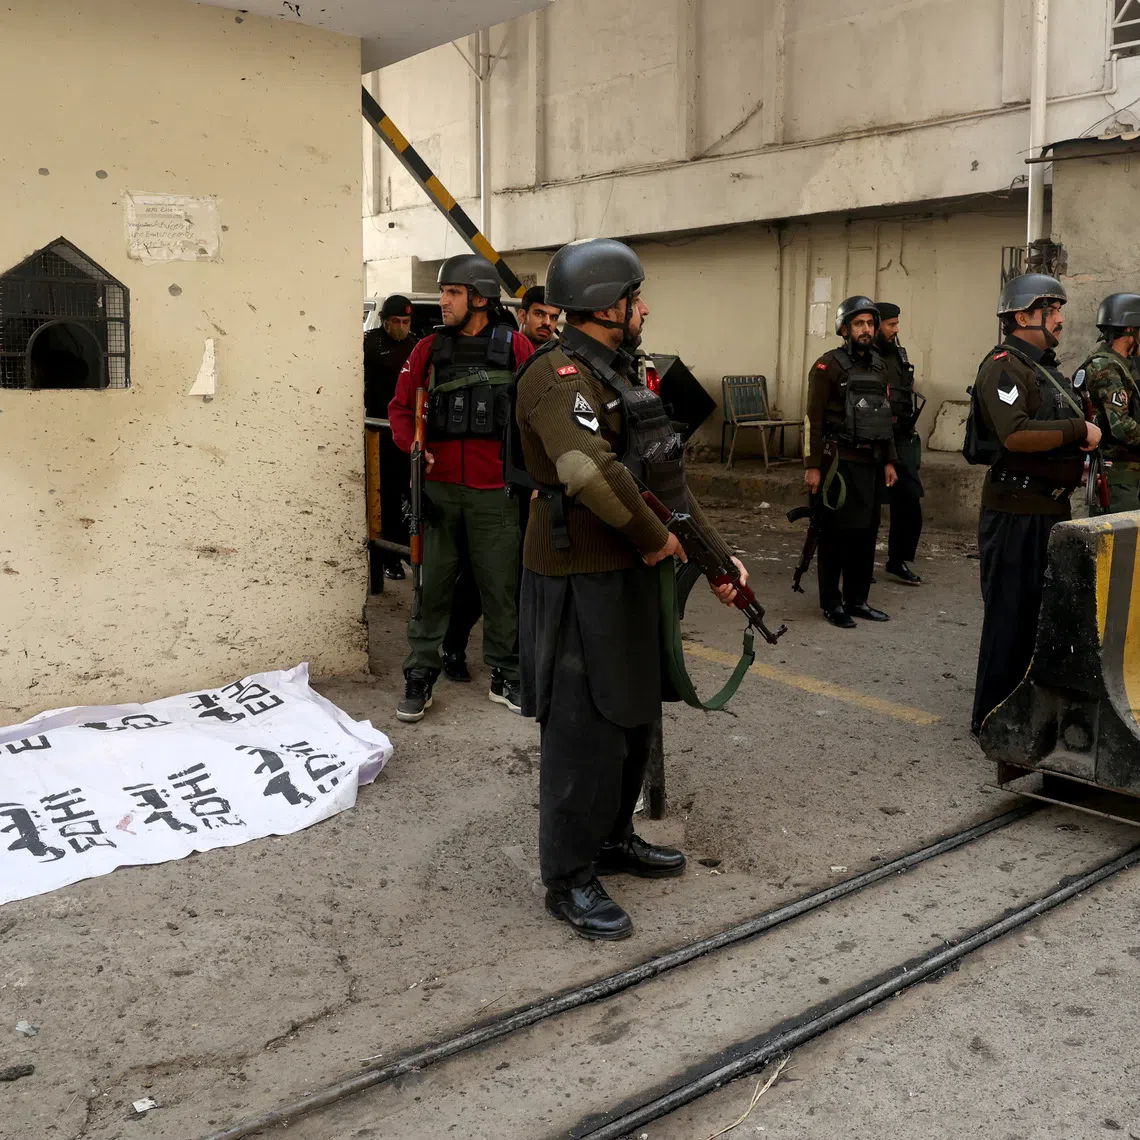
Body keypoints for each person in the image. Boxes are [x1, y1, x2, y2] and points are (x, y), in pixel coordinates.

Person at [514, 238, 749, 941]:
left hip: (629, 576)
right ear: (608, 306)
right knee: (583, 732)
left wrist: (718, 561)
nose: (644, 308)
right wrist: (656, 540)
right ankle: (568, 878)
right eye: (636, 297)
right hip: (577, 575)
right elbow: (587, 472)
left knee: (634, 716)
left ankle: (612, 839)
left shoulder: (620, 374)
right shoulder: (556, 377)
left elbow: (665, 481)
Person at [388, 255, 533, 722]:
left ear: (480, 298)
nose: (442, 301)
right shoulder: (426, 350)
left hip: (496, 492)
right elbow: (400, 409)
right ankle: (420, 672)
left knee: (500, 588)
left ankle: (505, 672)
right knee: (431, 589)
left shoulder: (518, 348)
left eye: (452, 292)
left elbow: (535, 415)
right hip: (440, 493)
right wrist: (416, 446)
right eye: (443, 291)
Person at [968, 274, 1100, 735]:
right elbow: (1017, 434)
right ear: (1023, 317)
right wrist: (1078, 432)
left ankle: (1024, 712)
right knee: (1008, 617)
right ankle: (991, 719)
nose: (1061, 319)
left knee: (1039, 617)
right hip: (1015, 515)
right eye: (1052, 311)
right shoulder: (1004, 367)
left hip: (1048, 510)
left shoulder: (1042, 368)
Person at [803, 296, 898, 629]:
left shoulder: (879, 366)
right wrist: (812, 466)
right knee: (835, 536)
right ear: (844, 328)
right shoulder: (827, 366)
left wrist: (889, 461)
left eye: (870, 323)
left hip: (870, 463)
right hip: (838, 465)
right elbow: (811, 420)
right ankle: (832, 602)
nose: (866, 329)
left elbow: (885, 419)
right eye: (859, 324)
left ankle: (857, 599)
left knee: (866, 534)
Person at [364, 295, 417, 581]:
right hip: (378, 433)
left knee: (412, 494)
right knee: (385, 497)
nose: (401, 327)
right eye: (396, 322)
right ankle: (389, 558)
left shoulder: (416, 346)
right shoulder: (369, 343)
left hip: (406, 432)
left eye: (406, 322)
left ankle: (410, 552)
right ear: (385, 321)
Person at [1075, 292, 1140, 513]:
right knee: (1122, 545)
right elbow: (1121, 426)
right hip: (1118, 479)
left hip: (1127, 475)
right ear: (1131, 331)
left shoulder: (1123, 365)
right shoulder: (1105, 367)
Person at [875, 302, 924, 584]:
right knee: (869, 507)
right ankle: (857, 563)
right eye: (890, 324)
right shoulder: (865, 356)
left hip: (902, 438)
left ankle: (897, 560)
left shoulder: (898, 355)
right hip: (873, 438)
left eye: (896, 323)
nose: (895, 329)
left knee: (909, 501)